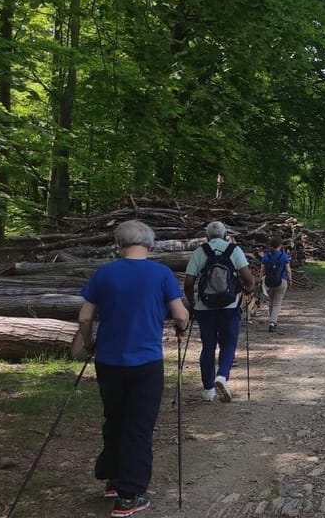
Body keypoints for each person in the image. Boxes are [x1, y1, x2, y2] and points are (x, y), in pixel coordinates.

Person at [77, 220, 189, 517]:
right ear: (150, 244)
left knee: (114, 418)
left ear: (120, 243)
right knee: (138, 425)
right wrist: (182, 324)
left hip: (109, 361)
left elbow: (85, 318)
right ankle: (130, 494)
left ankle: (113, 477)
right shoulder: (161, 273)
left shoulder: (104, 273)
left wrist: (88, 345)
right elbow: (180, 314)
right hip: (145, 361)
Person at [184, 221, 254, 402]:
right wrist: (247, 290)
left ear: (207, 236)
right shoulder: (234, 250)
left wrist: (192, 303)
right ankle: (222, 376)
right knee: (228, 343)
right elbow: (248, 278)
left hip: (204, 308)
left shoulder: (200, 252)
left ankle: (208, 390)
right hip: (230, 306)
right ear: (225, 235)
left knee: (208, 346)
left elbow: (189, 282)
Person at [259, 235, 293, 332]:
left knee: (271, 302)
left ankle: (272, 321)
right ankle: (273, 323)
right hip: (281, 281)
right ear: (280, 245)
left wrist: (261, 280)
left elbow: (262, 270)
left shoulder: (266, 256)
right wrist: (290, 280)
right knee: (277, 303)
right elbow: (288, 270)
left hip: (269, 282)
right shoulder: (284, 256)